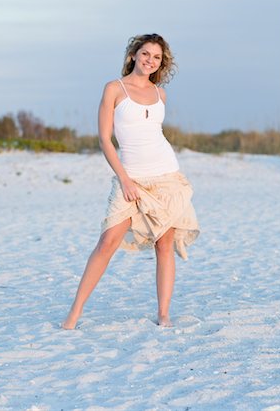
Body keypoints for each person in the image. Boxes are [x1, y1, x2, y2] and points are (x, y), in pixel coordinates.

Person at [62, 33, 199, 330]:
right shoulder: (114, 89)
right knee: (107, 242)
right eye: (146, 54)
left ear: (162, 63)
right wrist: (124, 180)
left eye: (157, 57)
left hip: (166, 176)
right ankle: (74, 313)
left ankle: (164, 315)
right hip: (131, 178)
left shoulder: (160, 94)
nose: (151, 60)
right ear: (133, 55)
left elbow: (154, 135)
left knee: (164, 245)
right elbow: (105, 139)